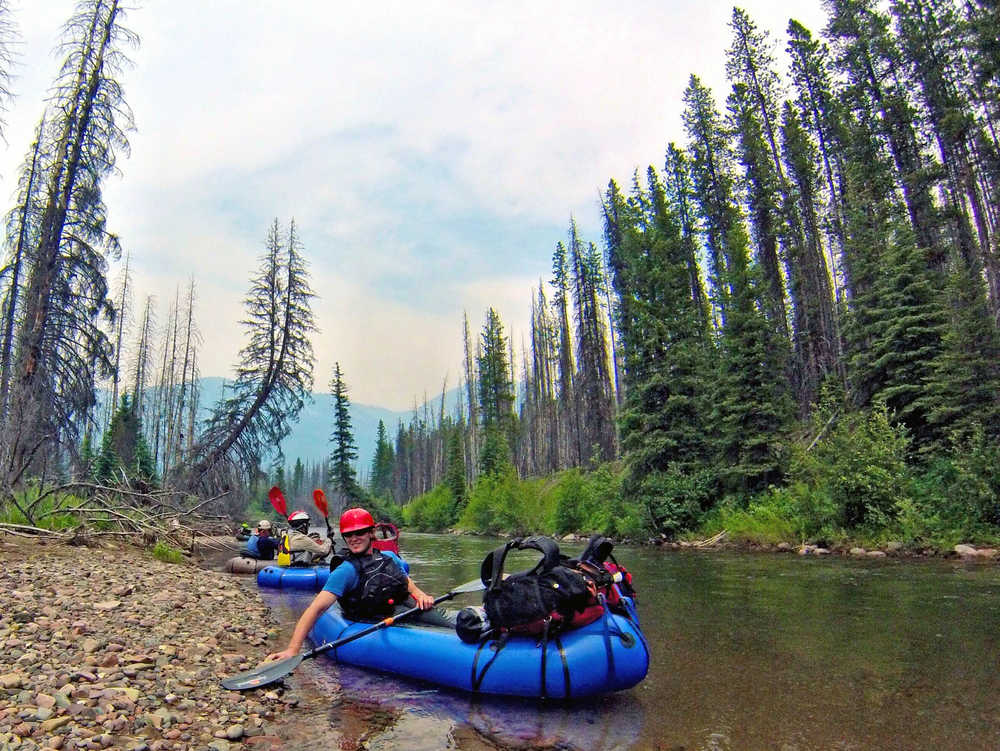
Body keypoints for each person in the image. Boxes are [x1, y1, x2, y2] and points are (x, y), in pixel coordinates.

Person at [265, 507, 450, 664]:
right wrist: (292, 649)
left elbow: (406, 581)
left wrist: (421, 595)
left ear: (371, 533)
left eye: (359, 532)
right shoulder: (346, 571)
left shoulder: (388, 558)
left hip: (401, 607)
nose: (353, 538)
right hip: (374, 617)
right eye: (348, 534)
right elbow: (316, 608)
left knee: (448, 624)